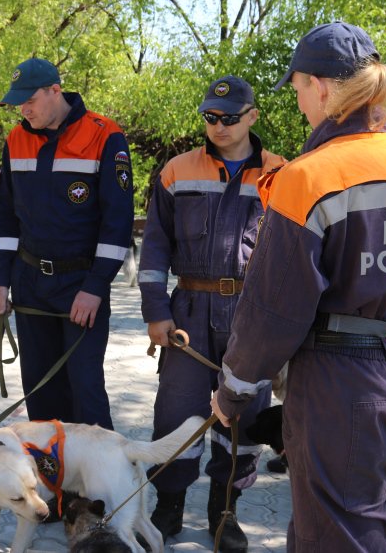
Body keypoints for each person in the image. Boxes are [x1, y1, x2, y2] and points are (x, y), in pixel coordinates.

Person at [211, 22, 386, 552]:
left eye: (299, 86)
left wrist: (235, 392)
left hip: (341, 394)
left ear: (323, 87)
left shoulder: (308, 178)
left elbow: (272, 313)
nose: (300, 99)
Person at [139, 76, 286, 551]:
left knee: (244, 415)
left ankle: (226, 509)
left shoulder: (282, 174)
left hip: (252, 314)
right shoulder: (177, 171)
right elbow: (155, 246)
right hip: (188, 312)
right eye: (210, 117)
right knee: (176, 411)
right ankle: (169, 504)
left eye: (228, 118)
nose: (218, 126)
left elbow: (294, 258)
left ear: (252, 117)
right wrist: (156, 310)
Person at [0, 57, 134, 430]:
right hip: (30, 285)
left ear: (55, 90)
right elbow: (6, 215)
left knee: (85, 392)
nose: (25, 110)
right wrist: (0, 280)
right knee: (40, 392)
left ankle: (100, 488)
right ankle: (53, 483)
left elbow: (117, 224)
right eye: (19, 103)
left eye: (30, 100)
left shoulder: (105, 135)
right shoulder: (16, 139)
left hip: (79, 287)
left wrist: (95, 287)